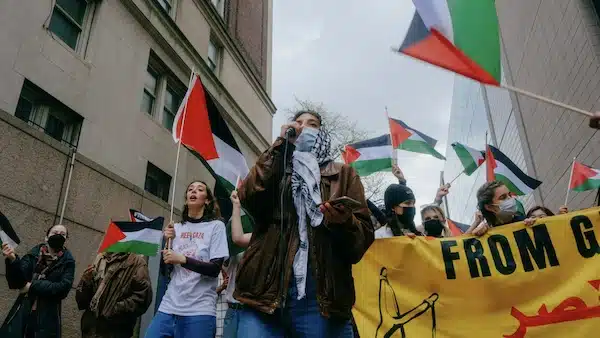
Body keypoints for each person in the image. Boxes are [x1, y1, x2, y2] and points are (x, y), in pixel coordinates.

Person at [233, 110, 373, 337]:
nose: (304, 128)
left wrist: (343, 222)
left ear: (321, 133)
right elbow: (249, 197)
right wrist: (280, 147)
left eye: (312, 124)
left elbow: (360, 243)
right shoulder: (275, 165)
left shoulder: (344, 174)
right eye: (298, 123)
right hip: (263, 293)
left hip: (317, 300)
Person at [145, 181, 229, 338]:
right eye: (190, 189)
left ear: (207, 200)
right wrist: (167, 243)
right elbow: (165, 271)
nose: (194, 191)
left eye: (199, 189)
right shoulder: (175, 228)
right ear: (186, 199)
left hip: (199, 310)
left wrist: (183, 259)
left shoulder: (216, 227)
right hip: (169, 306)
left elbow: (214, 269)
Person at [1, 224, 75, 338]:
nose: (58, 236)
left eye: (63, 234)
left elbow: (62, 288)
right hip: (23, 311)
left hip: (48, 318)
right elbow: (16, 282)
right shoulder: (33, 255)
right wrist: (13, 260)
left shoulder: (68, 262)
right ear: (46, 237)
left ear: (66, 240)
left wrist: (31, 286)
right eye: (55, 233)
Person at [75, 251, 152, 338]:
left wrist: (113, 309)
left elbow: (142, 299)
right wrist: (85, 282)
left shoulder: (137, 264)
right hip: (90, 330)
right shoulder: (100, 259)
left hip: (115, 331)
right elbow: (82, 302)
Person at [222, 190, 252, 338]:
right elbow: (236, 239)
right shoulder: (235, 250)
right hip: (233, 309)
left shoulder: (267, 236)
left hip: (254, 312)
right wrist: (236, 206)